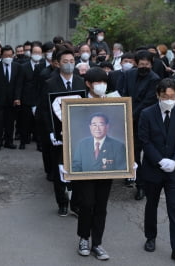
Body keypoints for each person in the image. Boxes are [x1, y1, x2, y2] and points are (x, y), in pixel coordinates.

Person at [69, 68, 124, 261]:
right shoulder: (76, 102)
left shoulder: (114, 102)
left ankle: (97, 243)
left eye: (104, 82)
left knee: (101, 206)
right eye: (97, 82)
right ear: (88, 84)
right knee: (86, 203)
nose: (102, 85)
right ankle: (84, 238)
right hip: (84, 167)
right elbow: (69, 132)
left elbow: (126, 131)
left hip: (106, 167)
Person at [138, 78, 175, 264]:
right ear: (158, 95)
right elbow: (144, 140)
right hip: (153, 167)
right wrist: (159, 160)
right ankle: (150, 237)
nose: (169, 99)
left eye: (173, 96)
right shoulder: (147, 113)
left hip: (174, 170)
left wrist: (174, 161)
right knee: (151, 204)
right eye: (165, 96)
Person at [41, 48, 85, 217]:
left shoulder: (81, 82)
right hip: (58, 135)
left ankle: (76, 203)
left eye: (72, 61)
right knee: (60, 169)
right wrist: (51, 132)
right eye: (65, 62)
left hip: (78, 133)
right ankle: (62, 202)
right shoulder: (49, 83)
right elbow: (45, 111)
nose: (69, 65)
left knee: (77, 169)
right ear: (58, 64)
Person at [122, 50, 160, 200]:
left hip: (146, 121)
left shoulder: (154, 78)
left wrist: (131, 114)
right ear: (137, 63)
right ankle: (139, 183)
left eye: (147, 64)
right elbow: (123, 92)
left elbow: (148, 101)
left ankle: (147, 184)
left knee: (148, 154)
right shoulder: (130, 74)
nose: (144, 67)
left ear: (151, 64)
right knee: (134, 153)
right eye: (141, 64)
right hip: (129, 119)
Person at [0, 45, 22, 151]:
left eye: (10, 55)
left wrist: (17, 98)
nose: (8, 57)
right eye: (5, 55)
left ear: (13, 55)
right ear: (2, 55)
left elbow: (18, 84)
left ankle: (9, 141)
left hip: (12, 100)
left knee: (10, 122)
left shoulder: (17, 66)